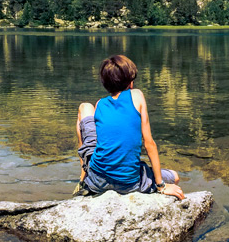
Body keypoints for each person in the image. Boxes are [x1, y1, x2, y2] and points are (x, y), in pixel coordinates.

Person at [75, 54, 185, 200]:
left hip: (96, 181)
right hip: (129, 184)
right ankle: (87, 174)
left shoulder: (100, 104)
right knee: (175, 177)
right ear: (131, 83)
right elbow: (149, 143)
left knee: (84, 107)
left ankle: (84, 174)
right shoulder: (137, 96)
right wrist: (161, 186)